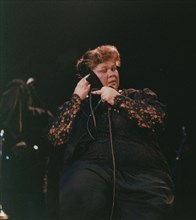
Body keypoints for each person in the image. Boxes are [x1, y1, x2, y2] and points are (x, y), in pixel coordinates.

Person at [48, 44, 174, 220]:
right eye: (103, 70)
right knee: (80, 189)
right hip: (92, 168)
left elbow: (157, 119)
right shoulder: (81, 107)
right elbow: (56, 136)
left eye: (114, 68)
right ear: (89, 77)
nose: (112, 73)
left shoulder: (136, 96)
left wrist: (118, 99)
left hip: (142, 171)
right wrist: (76, 99)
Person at [0, 79, 53, 220]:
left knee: (34, 205)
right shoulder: (7, 118)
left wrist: (32, 147)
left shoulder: (40, 115)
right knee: (18, 206)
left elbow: (50, 139)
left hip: (34, 170)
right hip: (14, 172)